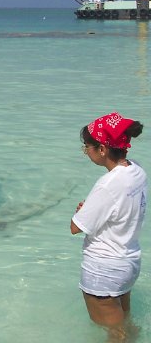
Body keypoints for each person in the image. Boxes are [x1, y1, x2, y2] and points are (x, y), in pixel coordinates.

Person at [71, 112, 147, 339]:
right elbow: (121, 210)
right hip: (128, 261)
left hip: (103, 269)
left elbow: (76, 227)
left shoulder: (107, 184)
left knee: (115, 334)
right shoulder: (137, 170)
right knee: (125, 326)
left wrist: (82, 212)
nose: (87, 152)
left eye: (87, 147)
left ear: (102, 149)